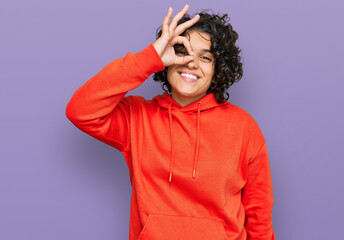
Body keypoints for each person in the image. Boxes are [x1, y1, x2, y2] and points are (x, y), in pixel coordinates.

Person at [66, 4, 275, 240]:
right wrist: (150, 57)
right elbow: (80, 110)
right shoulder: (137, 117)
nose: (191, 63)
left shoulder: (243, 127)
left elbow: (259, 216)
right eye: (182, 51)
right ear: (167, 59)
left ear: (218, 70)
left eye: (205, 57)